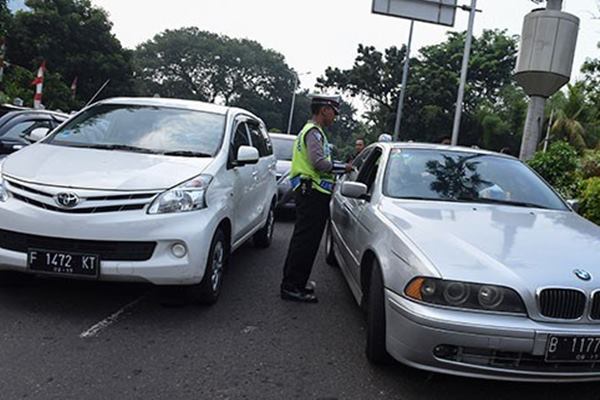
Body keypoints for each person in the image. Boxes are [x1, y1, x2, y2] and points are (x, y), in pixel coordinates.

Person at [281, 95, 351, 303]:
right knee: (306, 242)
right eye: (334, 113)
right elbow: (319, 163)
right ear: (324, 110)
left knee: (303, 240)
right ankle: (292, 287)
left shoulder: (312, 131)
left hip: (309, 192)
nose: (334, 117)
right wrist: (343, 167)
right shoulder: (314, 132)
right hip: (311, 192)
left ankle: (295, 282)